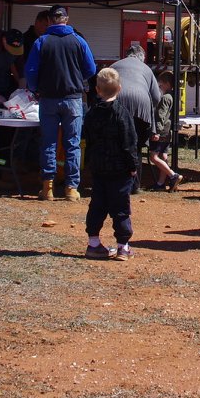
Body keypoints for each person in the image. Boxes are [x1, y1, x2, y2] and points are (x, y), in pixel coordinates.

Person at [25, 5, 97, 201]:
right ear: (66, 19)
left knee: (48, 142)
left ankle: (47, 187)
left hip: (48, 99)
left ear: (49, 20)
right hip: (73, 99)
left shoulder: (41, 42)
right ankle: (71, 188)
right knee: (72, 144)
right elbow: (91, 69)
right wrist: (76, 78)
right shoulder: (79, 41)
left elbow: (30, 72)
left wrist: (35, 88)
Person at [81, 68, 139, 261]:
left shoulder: (91, 114)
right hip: (120, 170)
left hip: (98, 168)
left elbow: (87, 138)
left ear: (97, 89)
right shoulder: (122, 114)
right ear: (119, 88)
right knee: (121, 208)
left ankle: (94, 243)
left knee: (97, 205)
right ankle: (123, 247)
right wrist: (133, 166)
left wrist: (90, 162)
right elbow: (129, 143)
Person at [111, 45, 162, 191]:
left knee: (116, 144)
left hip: (117, 103)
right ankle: (134, 186)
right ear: (142, 57)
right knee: (136, 146)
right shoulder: (146, 69)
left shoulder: (115, 65)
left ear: (127, 54)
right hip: (141, 106)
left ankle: (116, 182)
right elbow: (157, 97)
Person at [149, 71, 181, 191]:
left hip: (161, 131)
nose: (159, 86)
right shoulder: (174, 96)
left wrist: (156, 131)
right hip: (167, 131)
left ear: (167, 84)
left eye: (161, 84)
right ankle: (161, 183)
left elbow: (160, 115)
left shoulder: (165, 98)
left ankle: (173, 175)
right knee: (163, 156)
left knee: (153, 157)